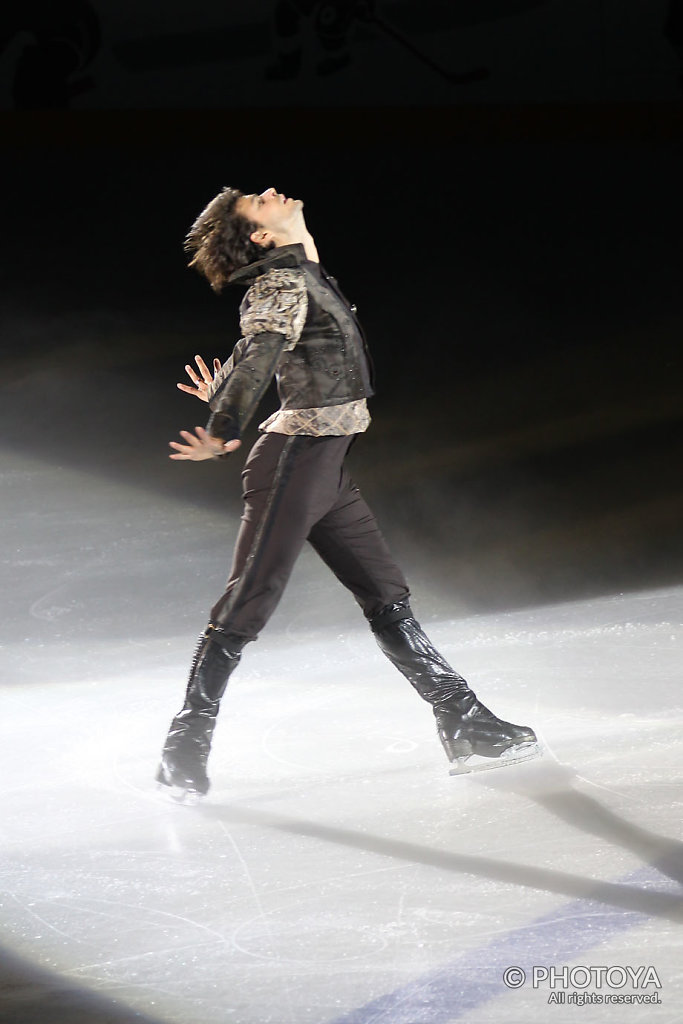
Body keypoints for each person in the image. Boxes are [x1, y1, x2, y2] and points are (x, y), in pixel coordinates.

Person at [156, 185, 539, 799]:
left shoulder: (300, 269)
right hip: (294, 463)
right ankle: (185, 745)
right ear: (259, 235)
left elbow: (275, 348)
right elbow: (261, 352)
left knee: (387, 595)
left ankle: (466, 723)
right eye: (258, 201)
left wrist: (225, 387)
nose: (272, 192)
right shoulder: (279, 285)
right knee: (252, 597)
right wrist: (224, 428)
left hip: (326, 465)